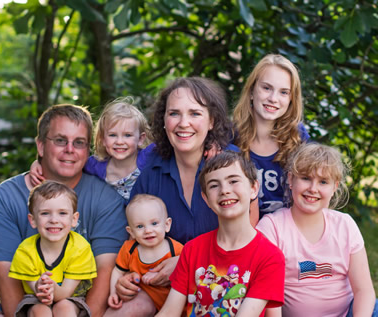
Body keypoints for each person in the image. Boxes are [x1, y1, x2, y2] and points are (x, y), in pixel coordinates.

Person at [107, 77, 243, 316]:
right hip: (161, 289)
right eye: (174, 114)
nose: (183, 123)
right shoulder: (151, 173)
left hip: (222, 282)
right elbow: (135, 237)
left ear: (211, 121)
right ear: (164, 121)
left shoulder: (229, 165)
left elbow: (245, 238)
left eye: (194, 113)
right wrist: (126, 277)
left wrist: (185, 264)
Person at [0, 104, 127, 317]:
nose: (70, 149)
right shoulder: (4, 199)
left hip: (80, 308)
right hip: (28, 307)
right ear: (40, 147)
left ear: (87, 151)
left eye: (79, 143)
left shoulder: (106, 200)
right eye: (60, 140)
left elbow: (104, 273)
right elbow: (6, 277)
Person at [157, 151, 285, 317]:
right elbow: (169, 312)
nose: (224, 190)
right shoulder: (192, 250)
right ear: (206, 199)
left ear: (254, 188)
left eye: (233, 181)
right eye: (214, 185)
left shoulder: (270, 257)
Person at [256, 142, 377, 317]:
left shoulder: (345, 225)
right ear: (290, 179)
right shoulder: (272, 227)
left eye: (323, 182)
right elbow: (266, 293)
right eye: (305, 178)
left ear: (334, 187)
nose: (313, 189)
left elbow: (364, 291)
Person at [29, 96, 151, 201]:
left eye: (127, 135)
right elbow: (71, 161)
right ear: (103, 139)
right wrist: (39, 162)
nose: (119, 142)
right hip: (114, 220)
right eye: (112, 135)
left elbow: (168, 147)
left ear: (140, 139)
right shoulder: (96, 165)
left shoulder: (149, 156)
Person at [233, 54, 309, 219]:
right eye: (266, 88)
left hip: (287, 233)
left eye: (283, 92)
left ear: (291, 99)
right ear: (252, 91)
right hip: (244, 234)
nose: (273, 99)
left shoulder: (298, 137)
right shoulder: (230, 137)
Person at [9, 180, 97, 317]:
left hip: (71, 296)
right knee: (40, 311)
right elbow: (38, 293)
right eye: (45, 213)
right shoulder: (25, 250)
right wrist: (41, 287)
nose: (54, 220)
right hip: (35, 297)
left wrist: (53, 287)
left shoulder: (80, 248)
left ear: (74, 219)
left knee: (64, 308)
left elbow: (64, 294)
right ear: (33, 220)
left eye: (62, 213)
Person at [108, 194, 183, 312]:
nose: (148, 231)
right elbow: (117, 271)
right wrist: (113, 292)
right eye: (140, 226)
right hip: (144, 300)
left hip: (175, 305)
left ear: (167, 225)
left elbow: (187, 274)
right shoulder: (129, 249)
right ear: (131, 231)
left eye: (154, 224)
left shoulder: (176, 250)